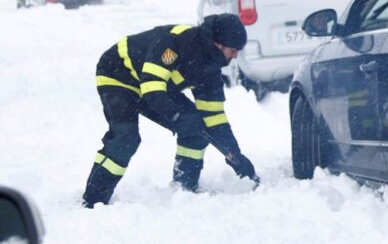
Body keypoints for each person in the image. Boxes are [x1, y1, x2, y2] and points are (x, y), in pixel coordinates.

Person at [82, 13, 258, 207]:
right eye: (233, 50)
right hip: (118, 74)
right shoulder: (175, 44)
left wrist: (235, 155)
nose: (235, 56)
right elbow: (152, 87)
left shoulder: (210, 69)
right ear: (218, 44)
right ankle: (93, 200)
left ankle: (185, 187)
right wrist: (176, 116)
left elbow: (214, 118)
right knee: (126, 138)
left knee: (197, 126)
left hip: (155, 88)